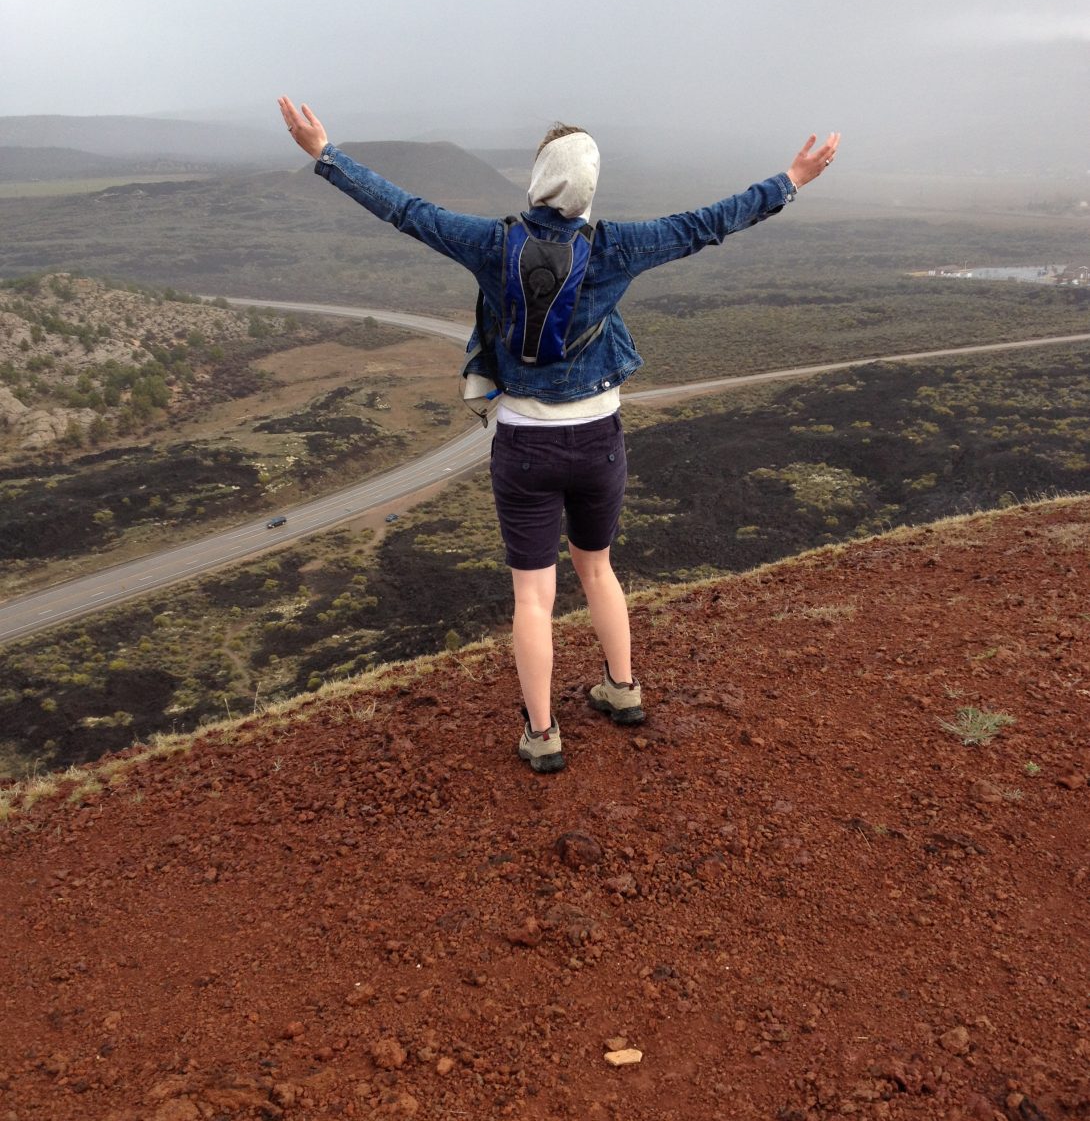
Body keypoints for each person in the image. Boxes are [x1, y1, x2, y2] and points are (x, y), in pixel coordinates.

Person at [277, 95, 839, 772]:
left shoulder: (492, 243)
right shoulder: (615, 248)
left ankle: (543, 734)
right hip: (599, 439)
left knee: (532, 595)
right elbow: (706, 225)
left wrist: (326, 154)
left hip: (524, 445)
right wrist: (792, 180)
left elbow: (407, 211)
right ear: (589, 189)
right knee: (598, 568)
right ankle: (623, 690)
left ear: (540, 178)